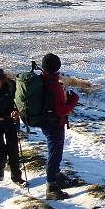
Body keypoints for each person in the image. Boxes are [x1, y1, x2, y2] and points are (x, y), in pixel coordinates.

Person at [40, 53, 79, 200]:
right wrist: (73, 100)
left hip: (47, 122)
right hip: (55, 124)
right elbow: (61, 110)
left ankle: (56, 176)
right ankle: (51, 187)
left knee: (55, 151)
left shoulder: (42, 79)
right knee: (55, 154)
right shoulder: (54, 85)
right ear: (58, 66)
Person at [0, 67, 25, 184]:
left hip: (10, 120)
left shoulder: (11, 86)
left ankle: (17, 177)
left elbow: (19, 102)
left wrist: (17, 111)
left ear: (2, 79)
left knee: (13, 149)